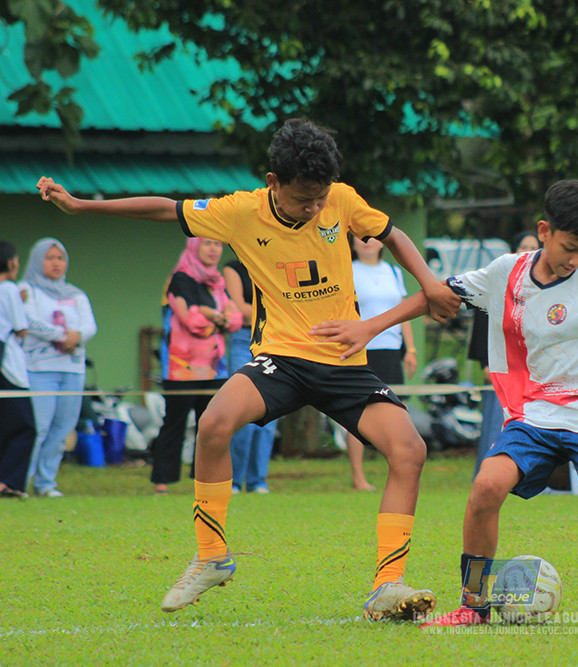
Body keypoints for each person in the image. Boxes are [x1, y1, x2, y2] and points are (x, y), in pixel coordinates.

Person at [36, 117, 461, 620]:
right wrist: (83, 205)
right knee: (214, 423)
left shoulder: (340, 199)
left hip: (343, 359)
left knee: (409, 450)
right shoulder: (239, 212)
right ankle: (212, 555)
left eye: (321, 197)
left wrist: (429, 281)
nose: (315, 207)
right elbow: (163, 208)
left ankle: (387, 586)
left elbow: (393, 234)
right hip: (280, 357)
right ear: (273, 183)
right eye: (304, 198)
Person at [314, 179, 578, 629]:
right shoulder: (506, 273)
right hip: (531, 415)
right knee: (485, 487)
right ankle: (473, 605)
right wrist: (372, 326)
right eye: (569, 247)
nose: (576, 259)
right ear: (544, 231)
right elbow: (438, 294)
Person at [151, 238, 243, 495]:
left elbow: (235, 319)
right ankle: (162, 481)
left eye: (218, 244)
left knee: (212, 424)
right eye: (207, 244)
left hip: (215, 366)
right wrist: (217, 316)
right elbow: (192, 320)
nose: (214, 249)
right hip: (181, 367)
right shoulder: (179, 279)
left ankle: (204, 480)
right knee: (174, 423)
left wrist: (211, 313)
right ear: (194, 247)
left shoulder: (218, 282)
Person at [19, 238, 97, 498]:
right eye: (50, 257)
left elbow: (89, 326)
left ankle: (46, 483)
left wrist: (77, 336)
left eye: (60, 258)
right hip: (39, 369)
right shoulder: (26, 289)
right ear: (37, 259)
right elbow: (28, 320)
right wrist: (62, 336)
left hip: (72, 370)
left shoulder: (76, 294)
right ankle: (19, 481)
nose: (56, 263)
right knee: (38, 427)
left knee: (63, 427)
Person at [343, 232, 418, 492]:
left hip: (390, 349)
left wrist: (410, 349)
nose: (367, 242)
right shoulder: (347, 270)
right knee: (358, 410)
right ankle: (358, 477)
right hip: (361, 348)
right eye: (361, 238)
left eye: (372, 237)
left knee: (398, 410)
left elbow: (403, 311)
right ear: (352, 243)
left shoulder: (393, 272)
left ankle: (399, 471)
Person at [467, 230, 539, 478]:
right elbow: (481, 321)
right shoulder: (498, 279)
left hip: (533, 372)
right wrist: (485, 362)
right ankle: (488, 474)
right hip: (500, 369)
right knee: (496, 423)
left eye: (534, 246)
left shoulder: (545, 288)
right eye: (524, 245)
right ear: (514, 250)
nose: (528, 250)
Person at [222, 258, 277, 495]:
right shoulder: (233, 268)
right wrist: (274, 311)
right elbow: (238, 308)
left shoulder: (275, 261)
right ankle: (234, 481)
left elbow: (248, 310)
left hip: (275, 341)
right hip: (244, 340)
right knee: (240, 409)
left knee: (271, 413)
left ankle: (258, 481)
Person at [0, 241, 35, 499]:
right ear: (11, 262)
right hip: (8, 366)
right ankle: (9, 482)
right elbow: (21, 328)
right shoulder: (9, 288)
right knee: (25, 426)